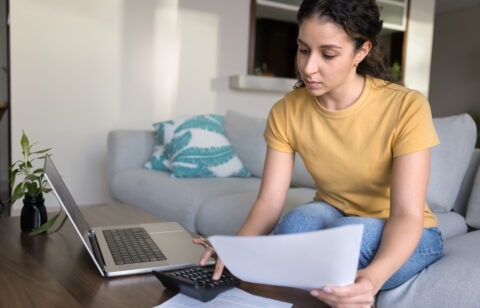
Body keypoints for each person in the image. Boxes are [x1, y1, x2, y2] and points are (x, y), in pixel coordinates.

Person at [194, 0, 443, 306]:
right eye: (303, 50)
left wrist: (372, 278)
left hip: (410, 232)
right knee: (295, 224)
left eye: (328, 54)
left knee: (348, 234)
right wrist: (236, 251)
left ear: (361, 52)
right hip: (336, 209)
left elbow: (407, 215)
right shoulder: (287, 110)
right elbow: (270, 201)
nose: (309, 67)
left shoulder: (407, 106)